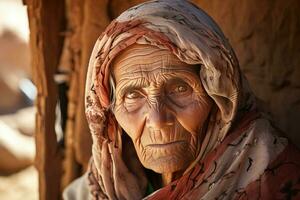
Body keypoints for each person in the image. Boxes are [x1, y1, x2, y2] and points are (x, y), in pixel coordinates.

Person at [63, 0, 300, 199]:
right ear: (108, 109)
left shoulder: (271, 171)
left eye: (179, 88)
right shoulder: (103, 182)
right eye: (132, 95)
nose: (157, 120)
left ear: (219, 95)